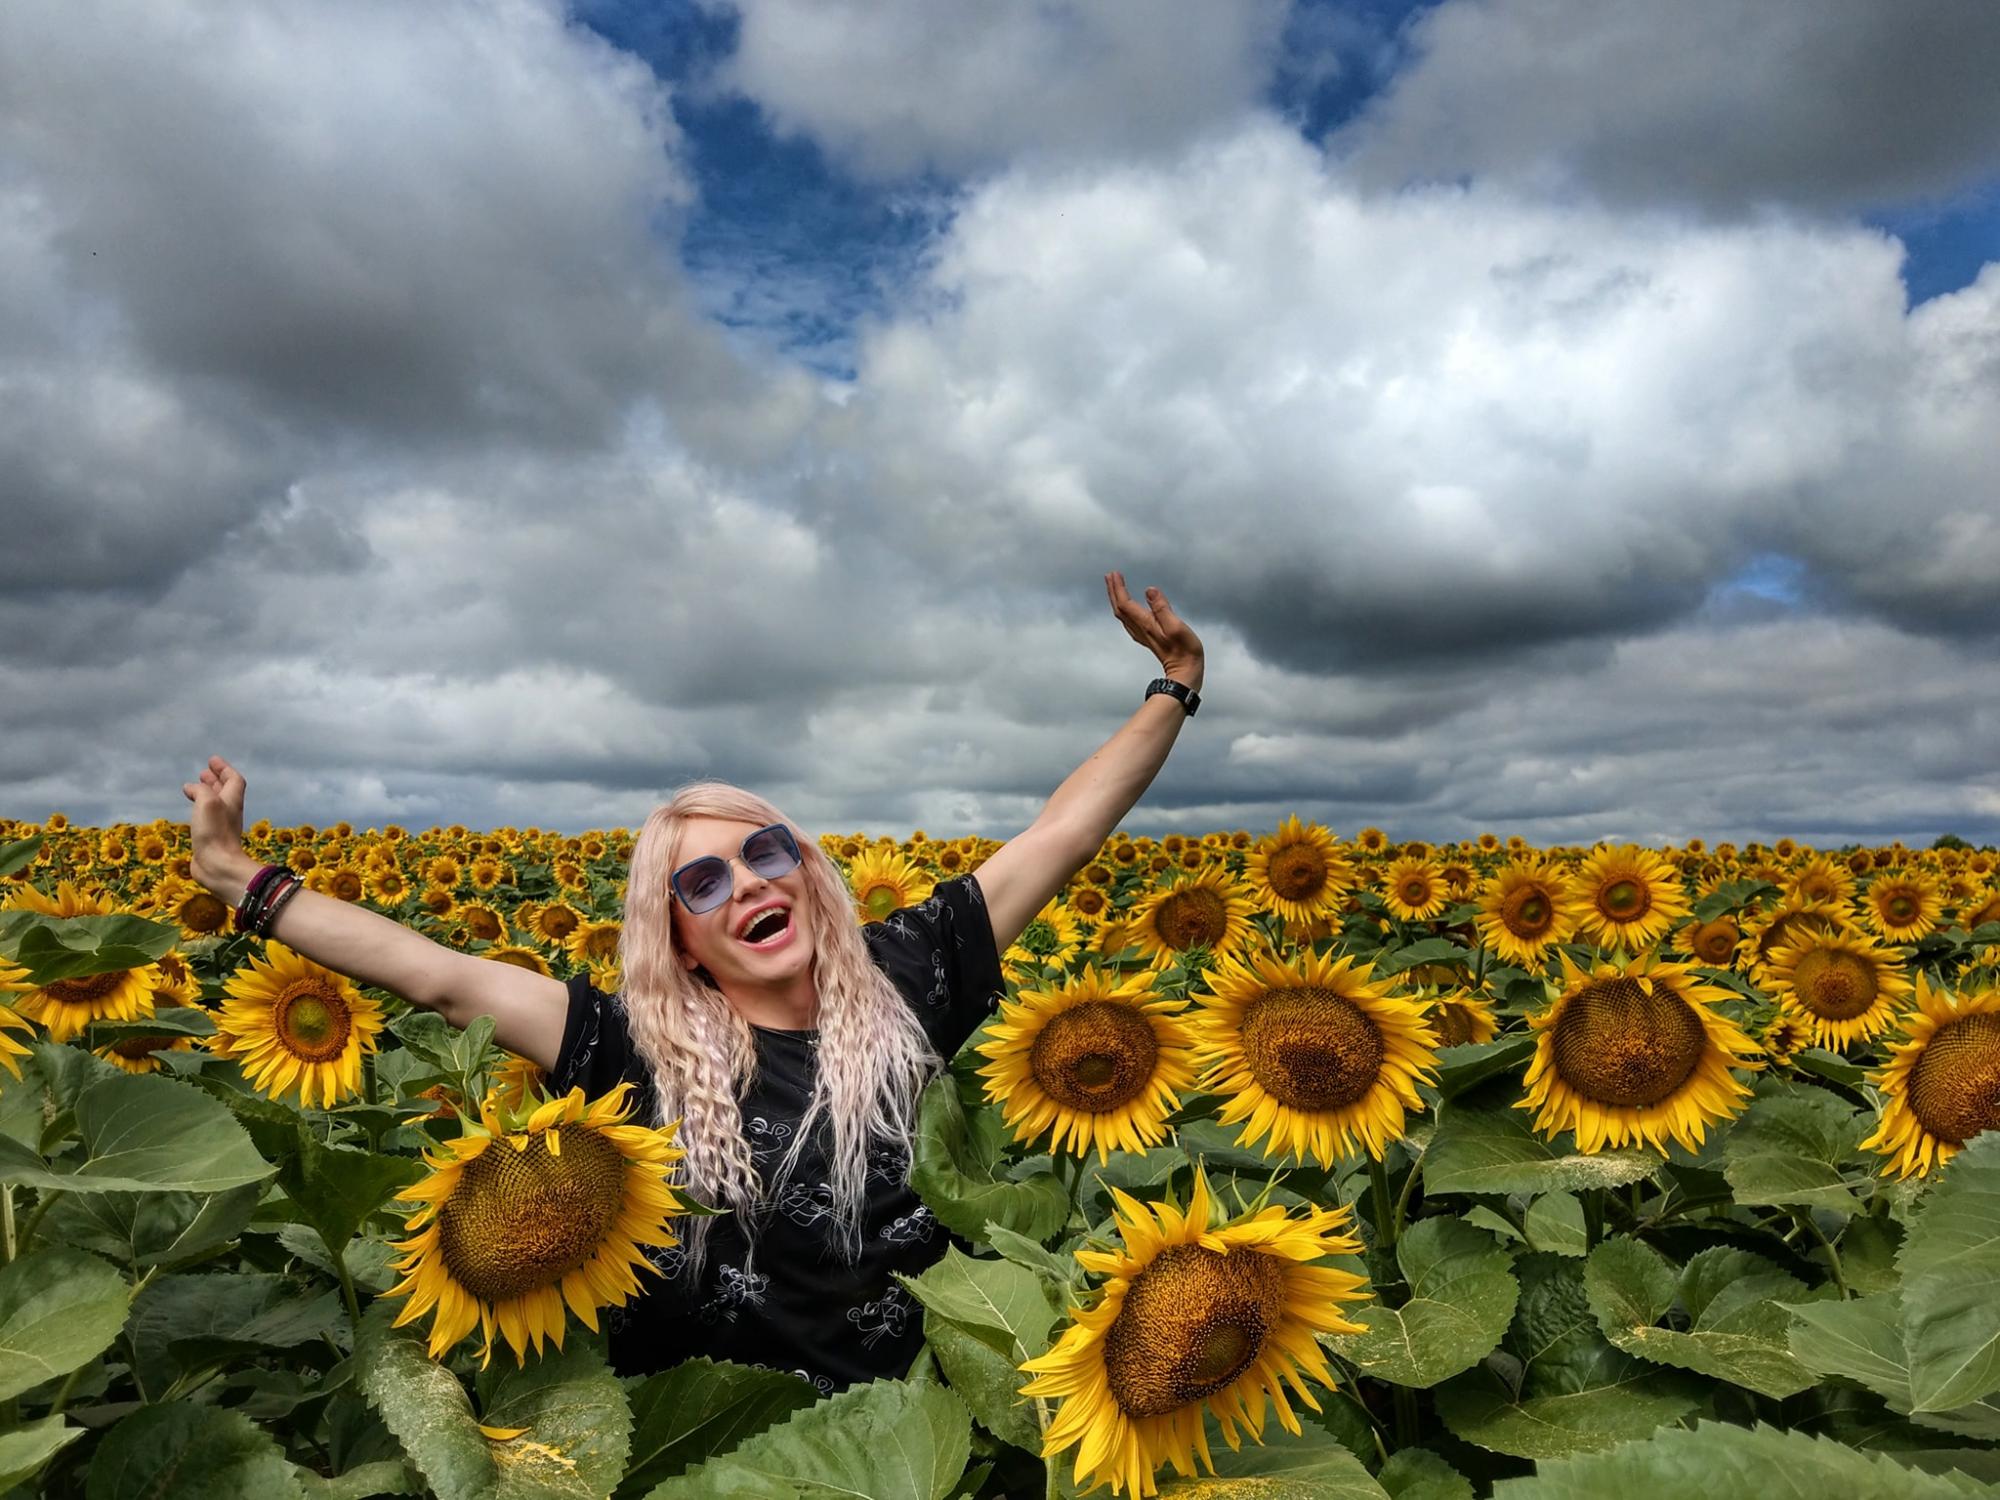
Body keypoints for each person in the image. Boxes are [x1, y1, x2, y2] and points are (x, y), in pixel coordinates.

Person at [181, 572, 1205, 1391]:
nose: (745, 883)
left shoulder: (906, 973)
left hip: (902, 1430)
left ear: (802, 867)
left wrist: (1174, 686)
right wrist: (239, 880)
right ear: (677, 941)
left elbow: (1061, 835)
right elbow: (438, 978)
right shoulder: (631, 1044)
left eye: (763, 851)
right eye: (703, 882)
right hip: (703, 1442)